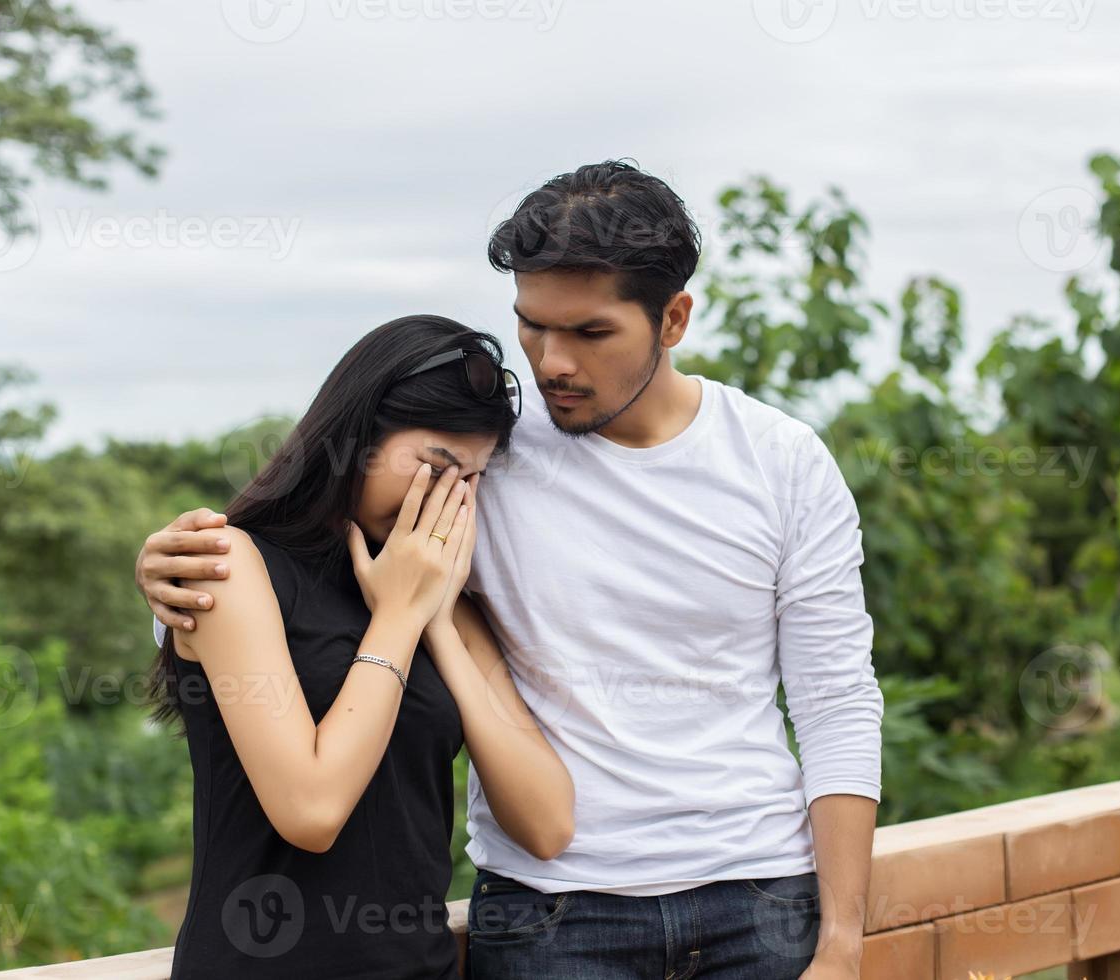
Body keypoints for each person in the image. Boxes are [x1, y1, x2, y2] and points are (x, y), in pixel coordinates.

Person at [139, 162, 882, 979]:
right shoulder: (487, 452)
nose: (551, 362)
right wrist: (169, 574)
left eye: (590, 333)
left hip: (761, 895)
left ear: (672, 319)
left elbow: (836, 698)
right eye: (532, 326)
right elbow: (298, 591)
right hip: (553, 917)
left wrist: (843, 941)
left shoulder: (777, 460)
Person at [144, 314, 573, 979]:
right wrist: (398, 619)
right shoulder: (232, 566)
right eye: (436, 464)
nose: (449, 496)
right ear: (359, 434)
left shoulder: (437, 594)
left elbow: (547, 823)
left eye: (473, 476)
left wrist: (435, 625)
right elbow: (311, 810)